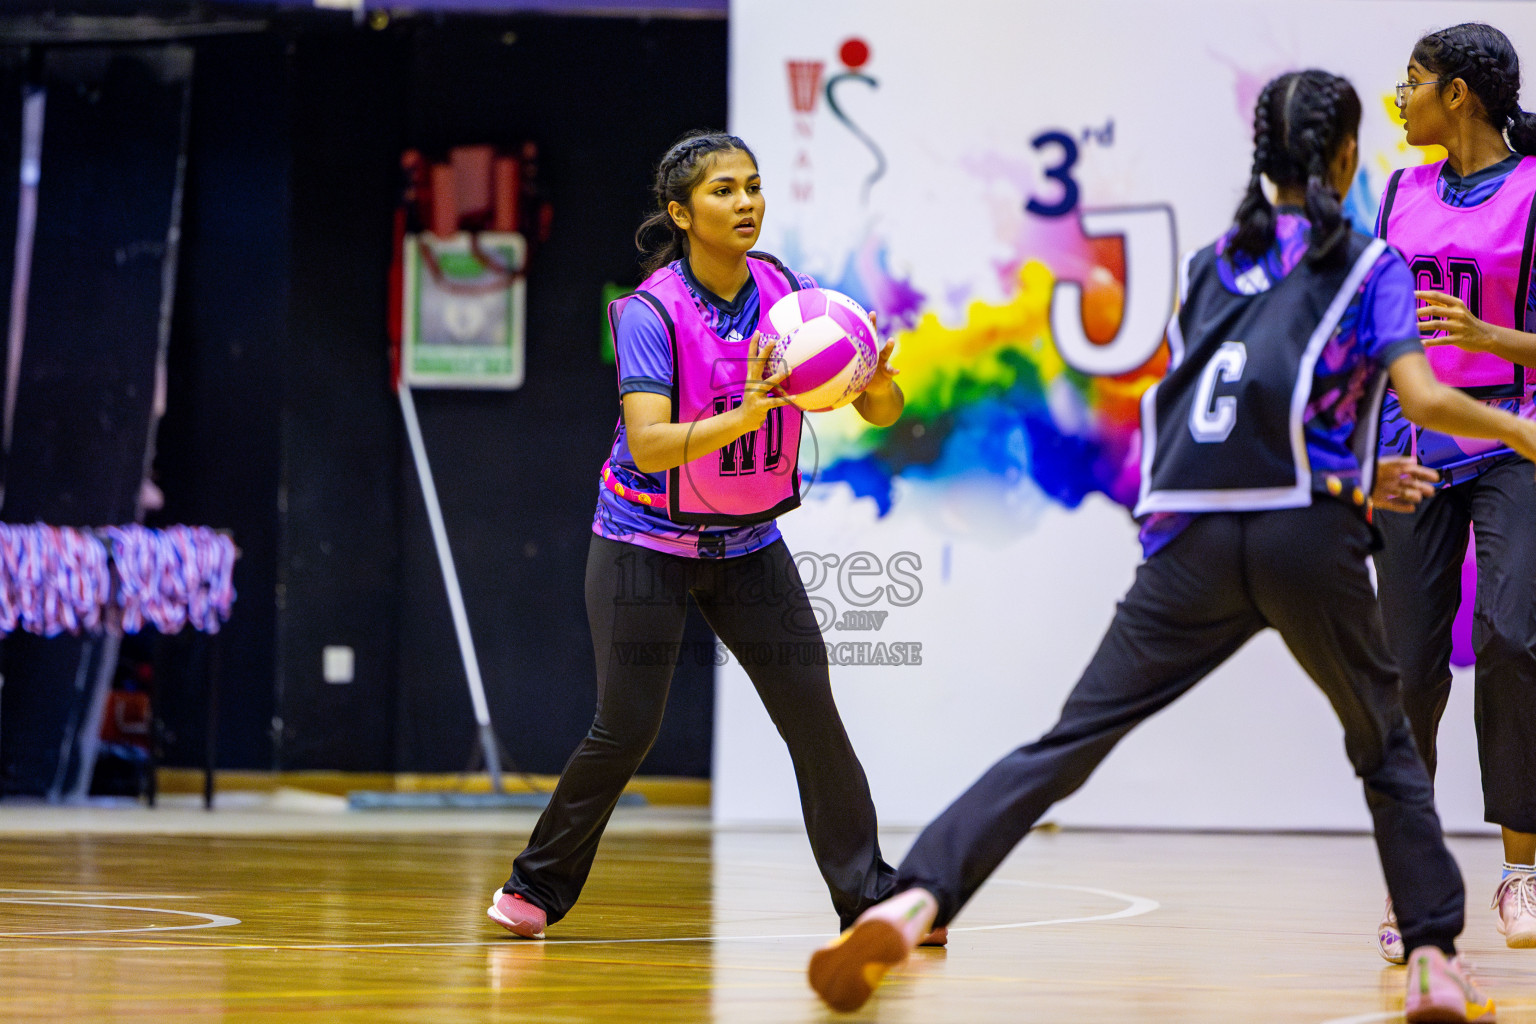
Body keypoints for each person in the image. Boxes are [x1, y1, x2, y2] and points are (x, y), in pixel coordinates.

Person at [806, 71, 1535, 1023]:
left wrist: (1356, 477)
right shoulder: (1369, 262)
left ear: (1262, 159)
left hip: (1193, 535)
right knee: (1387, 745)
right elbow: (1426, 399)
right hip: (1303, 535)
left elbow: (1219, 405)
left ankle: (916, 898)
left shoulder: (1210, 263)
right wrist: (1519, 433)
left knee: (1066, 743)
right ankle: (1434, 957)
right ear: (1349, 156)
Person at [487, 131, 920, 942]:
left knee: (812, 715)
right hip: (644, 541)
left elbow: (882, 411)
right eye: (724, 190)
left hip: (747, 544)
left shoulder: (795, 298)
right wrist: (743, 418)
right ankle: (534, 885)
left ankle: (869, 896)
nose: (746, 202)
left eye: (753, 186)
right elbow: (651, 445)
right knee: (627, 728)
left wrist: (876, 381)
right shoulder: (651, 312)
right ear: (681, 214)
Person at [1373, 21, 1536, 964]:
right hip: (1414, 447)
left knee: (1512, 635)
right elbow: (1371, 330)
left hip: (1515, 439)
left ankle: (1521, 872)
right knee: (1405, 667)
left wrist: (1489, 336)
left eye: (1414, 82)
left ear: (1459, 95)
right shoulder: (1399, 194)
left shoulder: (1534, 191)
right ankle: (1415, 884)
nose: (1402, 99)